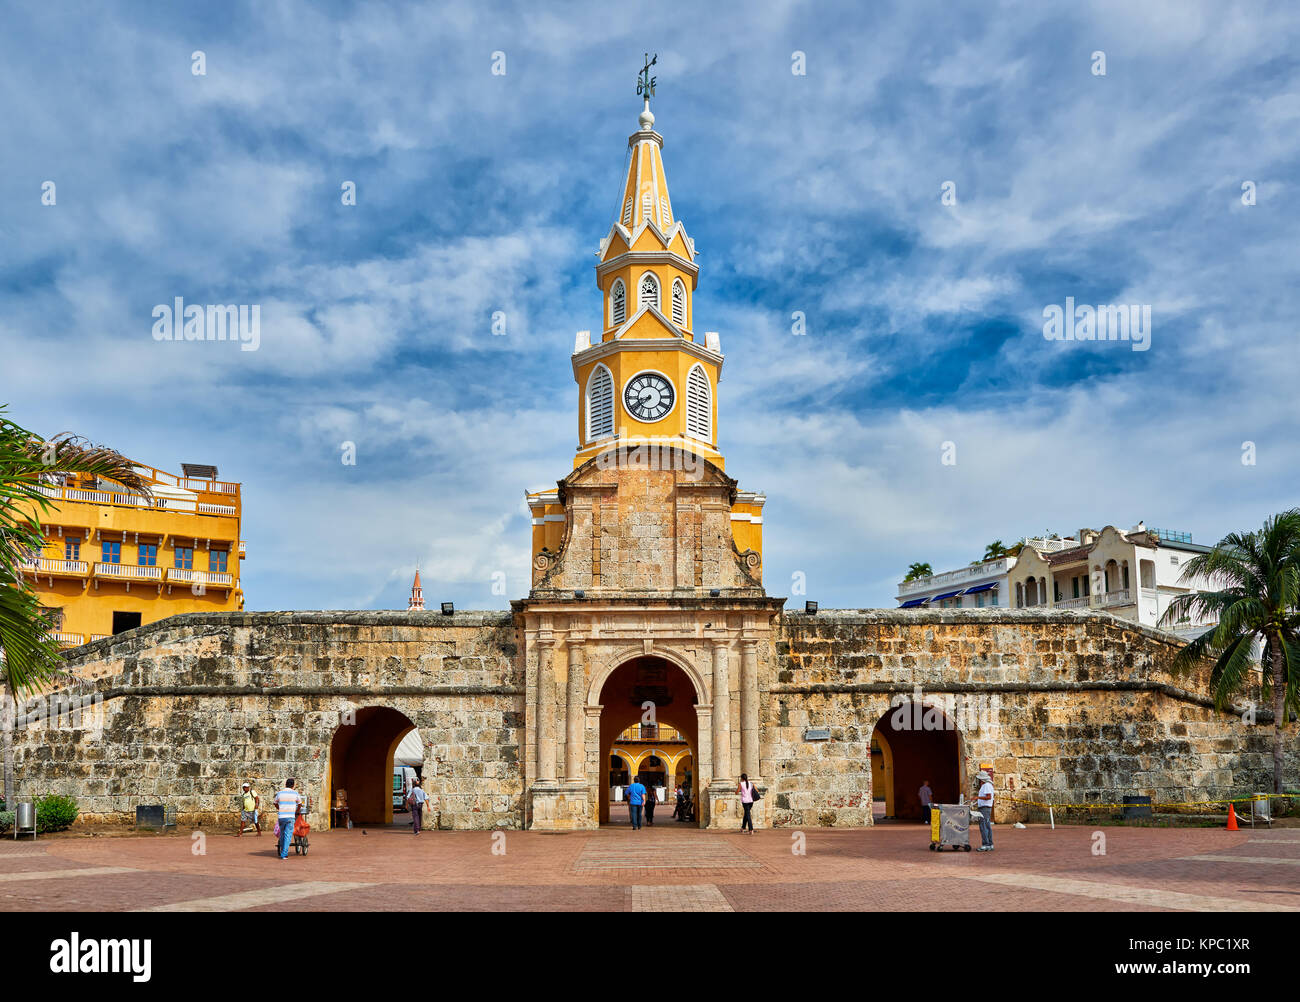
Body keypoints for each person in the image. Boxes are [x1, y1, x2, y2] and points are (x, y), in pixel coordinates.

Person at [273, 778, 303, 860]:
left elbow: (275, 803)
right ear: (293, 785)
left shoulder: (280, 793)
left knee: (282, 835)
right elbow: (300, 804)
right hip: (290, 817)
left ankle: (283, 851)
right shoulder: (295, 793)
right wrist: (296, 810)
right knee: (288, 835)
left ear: (286, 784)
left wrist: (280, 808)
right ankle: (284, 854)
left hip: (281, 817)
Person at [974, 770, 995, 851]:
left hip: (984, 808)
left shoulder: (986, 785)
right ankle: (990, 844)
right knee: (987, 826)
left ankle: (985, 844)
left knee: (983, 826)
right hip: (986, 808)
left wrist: (978, 798)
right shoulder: (988, 785)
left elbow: (988, 797)